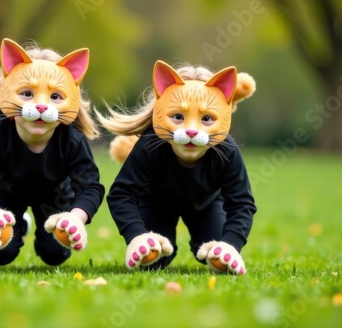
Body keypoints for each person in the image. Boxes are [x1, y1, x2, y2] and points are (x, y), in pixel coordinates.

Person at [0, 38, 104, 266]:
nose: (41, 106)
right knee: (0, 254)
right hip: (5, 191)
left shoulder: (72, 138)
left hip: (55, 195)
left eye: (55, 96)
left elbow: (90, 186)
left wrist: (75, 218)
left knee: (55, 255)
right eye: (27, 93)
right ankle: (18, 225)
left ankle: (36, 233)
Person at [96, 60, 257, 274]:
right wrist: (136, 235)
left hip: (207, 204)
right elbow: (122, 194)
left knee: (216, 252)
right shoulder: (149, 145)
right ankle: (153, 248)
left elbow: (242, 203)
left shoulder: (227, 150)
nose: (191, 130)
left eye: (207, 118)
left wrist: (231, 244)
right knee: (155, 260)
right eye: (178, 117)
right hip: (156, 203)